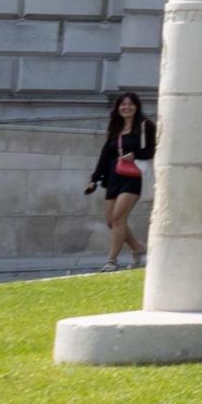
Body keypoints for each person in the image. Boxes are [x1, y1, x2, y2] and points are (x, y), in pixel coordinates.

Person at [87, 89, 154, 271]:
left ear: (137, 106)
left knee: (118, 217)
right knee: (112, 221)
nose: (127, 107)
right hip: (113, 177)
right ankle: (138, 248)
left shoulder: (145, 125)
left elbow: (152, 149)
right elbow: (105, 154)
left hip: (133, 176)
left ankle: (111, 260)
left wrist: (136, 154)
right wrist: (94, 178)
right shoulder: (115, 127)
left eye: (130, 104)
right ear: (118, 108)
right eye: (123, 104)